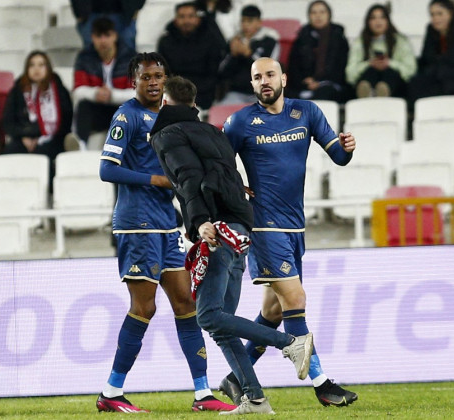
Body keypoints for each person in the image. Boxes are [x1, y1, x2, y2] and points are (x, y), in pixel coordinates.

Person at [149, 75, 314, 415]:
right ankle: (254, 399)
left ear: (164, 104)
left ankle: (291, 343)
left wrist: (199, 222)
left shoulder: (167, 135)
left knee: (209, 317)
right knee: (223, 325)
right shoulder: (212, 131)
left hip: (217, 231)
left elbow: (187, 178)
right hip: (239, 230)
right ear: (193, 105)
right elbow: (225, 174)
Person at [95, 52, 234, 413]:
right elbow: (107, 170)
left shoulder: (170, 118)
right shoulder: (126, 116)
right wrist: (153, 179)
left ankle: (202, 393)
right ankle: (111, 391)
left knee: (186, 303)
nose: (154, 82)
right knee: (144, 306)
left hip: (167, 223)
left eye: (159, 76)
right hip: (136, 222)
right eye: (146, 77)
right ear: (133, 82)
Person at [220, 57, 358, 407]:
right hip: (264, 227)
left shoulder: (306, 112)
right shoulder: (241, 121)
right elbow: (218, 165)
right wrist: (237, 185)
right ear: (251, 85)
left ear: (283, 77)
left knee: (275, 311)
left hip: (295, 226)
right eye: (256, 77)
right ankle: (322, 383)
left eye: (269, 74)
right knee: (295, 301)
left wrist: (347, 147)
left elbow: (338, 157)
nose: (264, 81)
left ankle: (237, 376)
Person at [72, 17, 135, 146]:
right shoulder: (84, 58)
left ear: (115, 36)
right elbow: (77, 91)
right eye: (98, 36)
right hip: (97, 109)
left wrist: (112, 95)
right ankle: (80, 146)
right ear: (92, 38)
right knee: (83, 106)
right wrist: (95, 93)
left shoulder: (132, 58)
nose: (103, 40)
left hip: (121, 109)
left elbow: (138, 94)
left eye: (107, 35)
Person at [3, 51, 73, 160]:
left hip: (53, 138)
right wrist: (23, 137)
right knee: (10, 153)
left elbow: (67, 119)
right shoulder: (18, 90)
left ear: (48, 68)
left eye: (41, 65)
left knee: (43, 153)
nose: (36, 69)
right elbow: (8, 121)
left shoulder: (58, 89)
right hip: (22, 137)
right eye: (32, 65)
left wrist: (42, 137)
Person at [157, 2, 224, 110]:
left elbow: (213, 73)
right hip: (173, 93)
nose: (186, 21)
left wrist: (191, 92)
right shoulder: (166, 41)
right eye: (182, 17)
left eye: (191, 16)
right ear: (175, 20)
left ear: (198, 19)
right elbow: (163, 73)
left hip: (202, 94)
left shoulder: (211, 40)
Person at [345, 4, 416, 98]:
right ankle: (366, 92)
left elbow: (411, 70)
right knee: (371, 72)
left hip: (396, 86)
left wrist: (389, 63)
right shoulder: (360, 42)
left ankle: (384, 90)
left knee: (389, 73)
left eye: (382, 17)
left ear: (388, 21)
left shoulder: (400, 41)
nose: (378, 21)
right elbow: (350, 74)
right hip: (368, 76)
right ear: (368, 22)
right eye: (373, 18)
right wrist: (369, 64)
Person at [286, 0, 351, 102]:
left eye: (322, 12)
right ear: (309, 16)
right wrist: (305, 81)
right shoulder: (302, 38)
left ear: (329, 15)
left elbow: (341, 67)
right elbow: (293, 67)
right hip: (303, 85)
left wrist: (320, 82)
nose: (318, 16)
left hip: (330, 84)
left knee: (324, 94)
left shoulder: (338, 38)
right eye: (314, 12)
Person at [217, 4, 279, 105]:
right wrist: (233, 55)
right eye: (243, 21)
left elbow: (269, 71)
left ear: (259, 23)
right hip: (236, 93)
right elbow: (221, 72)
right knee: (221, 112)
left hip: (263, 93)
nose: (245, 25)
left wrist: (248, 54)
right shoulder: (234, 41)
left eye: (249, 21)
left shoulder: (269, 41)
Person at [70, 0, 144, 51]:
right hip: (89, 12)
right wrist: (78, 10)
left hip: (123, 12)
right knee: (90, 57)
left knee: (127, 53)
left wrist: (136, 6)